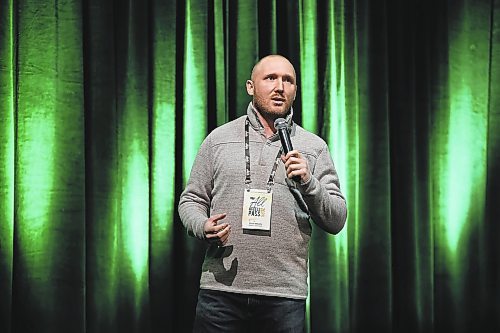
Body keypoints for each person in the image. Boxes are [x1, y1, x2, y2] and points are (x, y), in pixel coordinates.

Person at [178, 54, 347, 332]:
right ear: (251, 86)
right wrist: (201, 225)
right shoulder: (218, 139)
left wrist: (308, 182)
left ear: (294, 91)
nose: (279, 86)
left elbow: (337, 219)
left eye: (288, 80)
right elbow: (191, 200)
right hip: (221, 293)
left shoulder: (313, 147)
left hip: (283, 297)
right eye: (270, 78)